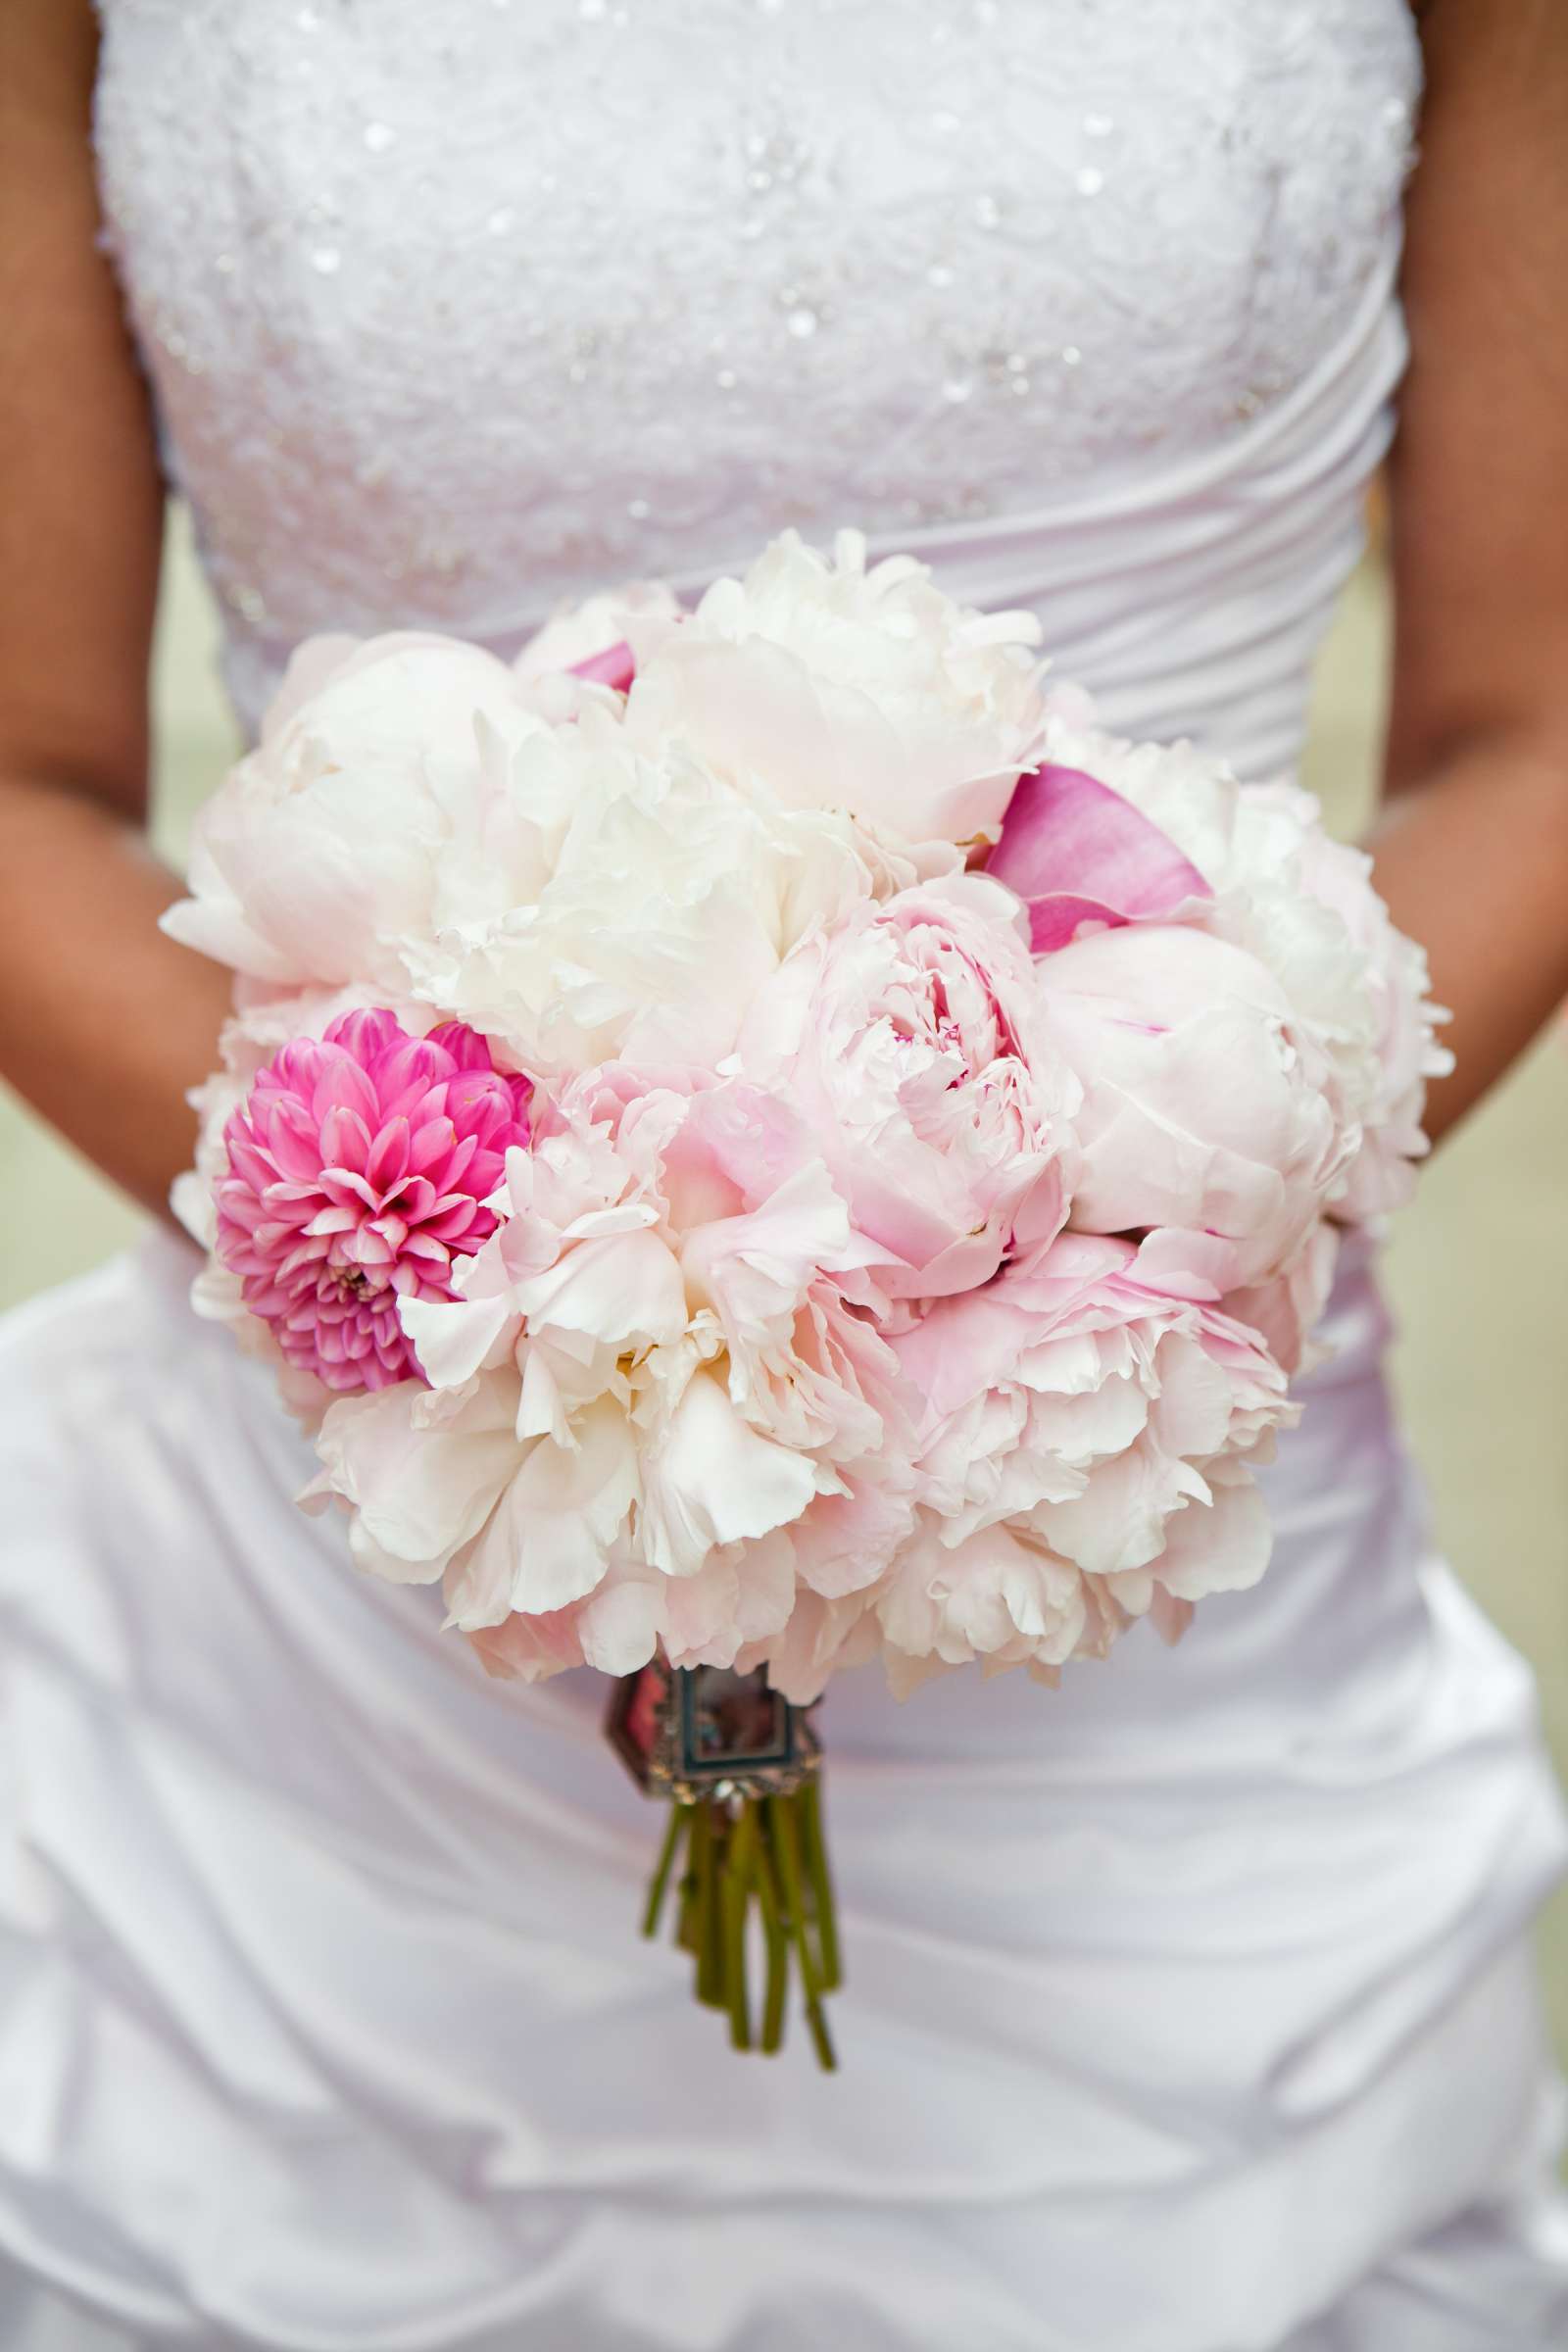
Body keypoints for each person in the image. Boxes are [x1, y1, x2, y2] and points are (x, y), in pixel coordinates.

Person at [2, 3, 1566, 2345]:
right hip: (326, 1695)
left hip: (1160, 1602)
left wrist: (1072, 1269)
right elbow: (20, 783)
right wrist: (509, 1318)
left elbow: (1524, 729)